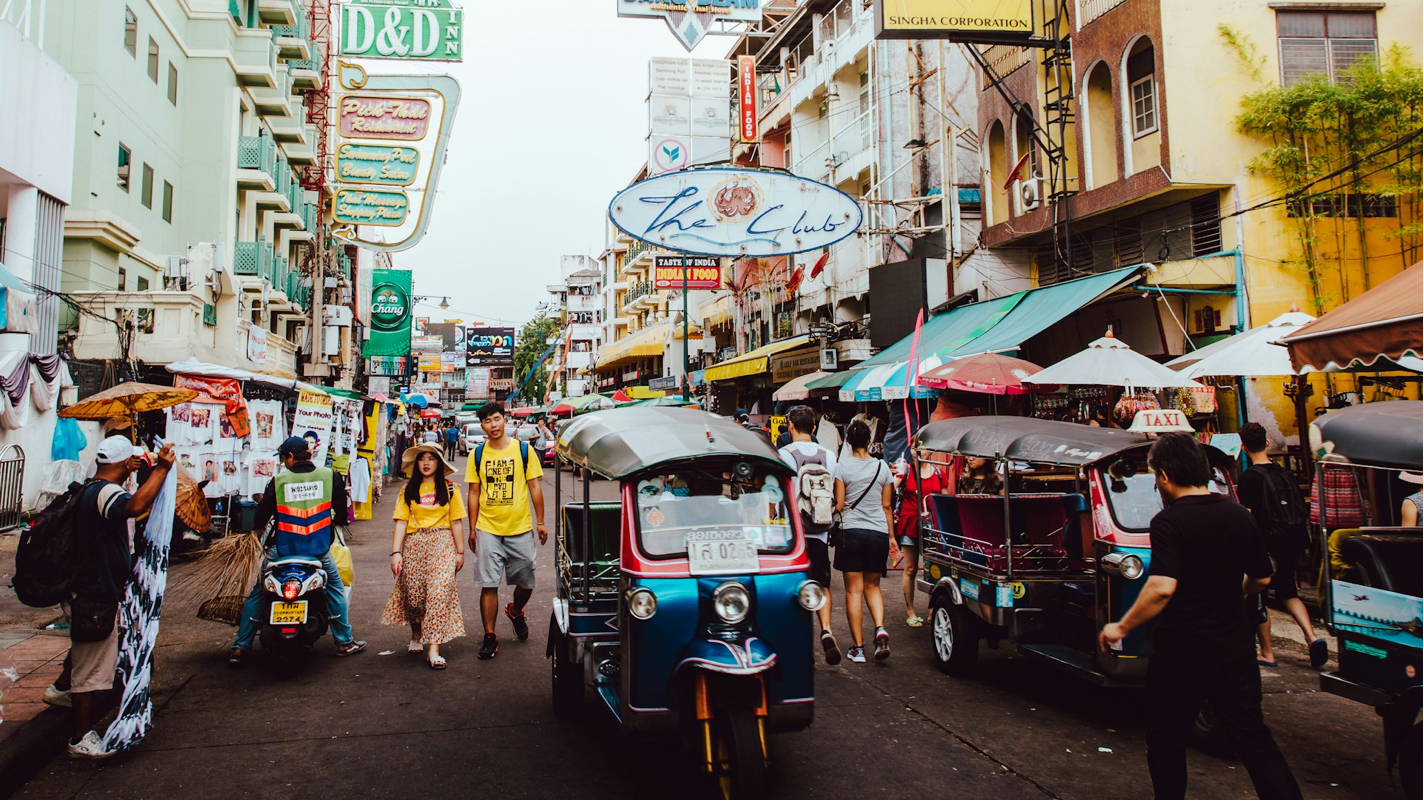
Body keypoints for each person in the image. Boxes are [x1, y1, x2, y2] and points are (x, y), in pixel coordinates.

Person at [1099, 433, 1301, 800]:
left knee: (1167, 737)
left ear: (1163, 476)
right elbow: (1262, 578)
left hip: (1182, 650)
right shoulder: (1240, 515)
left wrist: (1121, 626)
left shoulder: (1168, 522)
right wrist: (1237, 592)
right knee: (1253, 738)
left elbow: (1162, 587)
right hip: (1235, 648)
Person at [54, 436, 174, 759]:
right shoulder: (106, 492)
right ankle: (80, 738)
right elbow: (134, 507)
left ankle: (62, 689)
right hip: (93, 593)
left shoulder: (92, 488)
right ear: (123, 464)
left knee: (88, 654)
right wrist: (162, 469)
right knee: (90, 667)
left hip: (93, 590)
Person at [229, 437, 368, 665]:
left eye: (284, 458)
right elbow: (342, 511)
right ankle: (344, 641)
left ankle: (240, 646)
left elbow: (261, 516)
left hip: (282, 551)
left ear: (291, 457)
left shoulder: (278, 481)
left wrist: (254, 531)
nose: (283, 463)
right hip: (318, 551)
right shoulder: (329, 476)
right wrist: (336, 522)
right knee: (335, 589)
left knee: (259, 592)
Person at [1236, 423, 1326, 669]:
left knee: (1258, 597)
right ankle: (1312, 637)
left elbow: (1248, 516)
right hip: (1292, 541)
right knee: (1288, 592)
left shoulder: (1248, 478)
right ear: (1267, 443)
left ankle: (1267, 652)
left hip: (1266, 546)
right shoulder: (1285, 473)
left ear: (1243, 448)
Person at [465, 402, 546, 660]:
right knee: (488, 583)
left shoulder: (523, 451)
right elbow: (474, 493)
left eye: (497, 419)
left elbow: (534, 487)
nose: (493, 425)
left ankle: (516, 610)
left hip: (519, 528)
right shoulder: (477, 455)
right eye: (488, 421)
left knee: (526, 581)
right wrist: (472, 528)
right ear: (482, 426)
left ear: (504, 420)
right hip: (487, 528)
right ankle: (490, 636)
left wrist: (540, 521)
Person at [383, 444, 466, 669]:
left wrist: (460, 552)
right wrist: (396, 552)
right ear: (417, 463)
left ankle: (434, 650)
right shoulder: (407, 490)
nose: (426, 463)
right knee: (414, 596)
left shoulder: (451, 489)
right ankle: (416, 634)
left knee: (439, 594)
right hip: (414, 545)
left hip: (442, 544)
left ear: (439, 463)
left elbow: (456, 521)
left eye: (431, 458)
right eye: (422, 459)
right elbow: (401, 522)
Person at [777, 405, 841, 665]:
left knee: (795, 588)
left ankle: (803, 645)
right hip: (820, 531)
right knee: (821, 584)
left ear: (790, 426)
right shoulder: (829, 455)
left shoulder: (784, 454)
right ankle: (826, 629)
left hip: (793, 534)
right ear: (814, 428)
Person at [833, 419, 896, 663]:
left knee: (853, 590)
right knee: (873, 586)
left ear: (848, 441)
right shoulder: (882, 467)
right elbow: (887, 506)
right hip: (878, 532)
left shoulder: (842, 467)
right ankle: (879, 628)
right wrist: (892, 537)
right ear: (869, 441)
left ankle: (858, 649)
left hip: (851, 532)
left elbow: (840, 505)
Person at [895, 443, 947, 627]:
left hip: (932, 527)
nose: (916, 451)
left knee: (934, 569)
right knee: (910, 569)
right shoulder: (906, 470)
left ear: (931, 450)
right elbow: (890, 488)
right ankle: (910, 610)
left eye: (921, 447)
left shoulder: (939, 473)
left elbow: (945, 502)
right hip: (909, 523)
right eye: (913, 447)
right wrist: (895, 474)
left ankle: (933, 609)